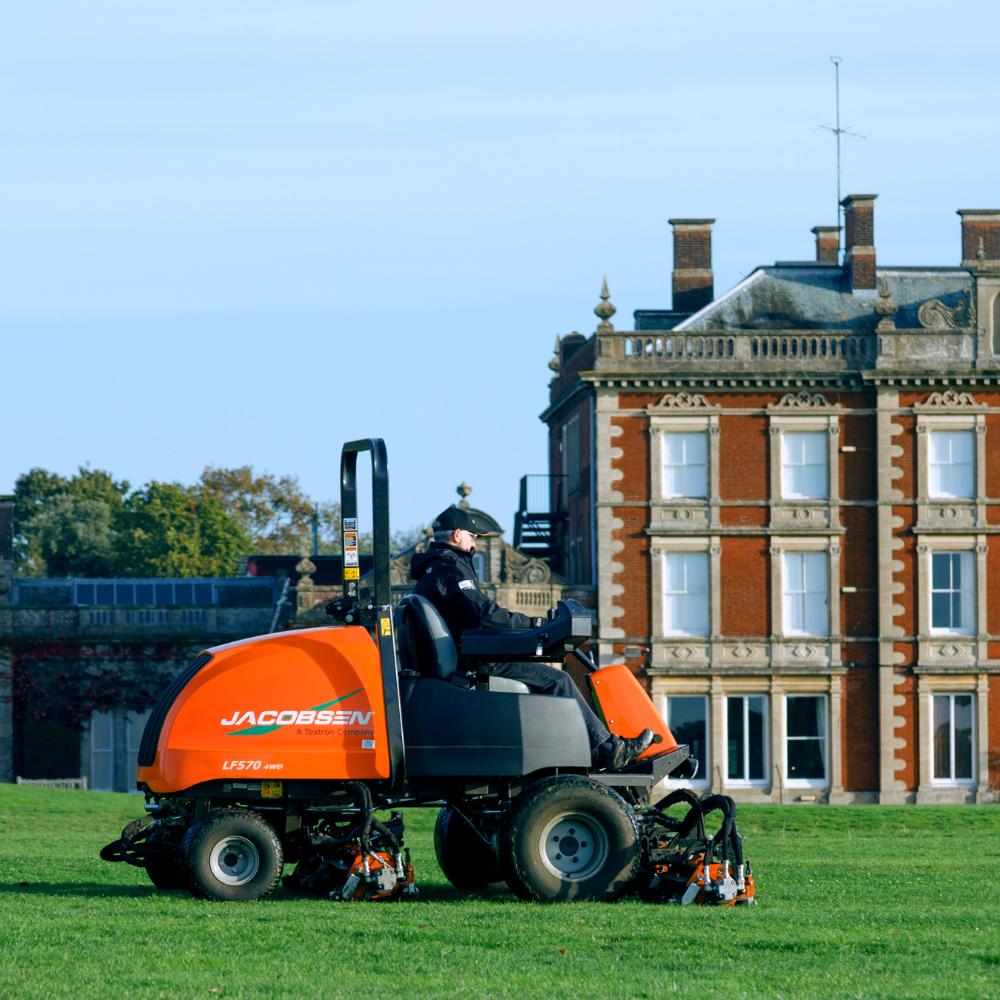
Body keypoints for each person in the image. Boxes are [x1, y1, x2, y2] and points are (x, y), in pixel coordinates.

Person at [409, 506, 654, 771]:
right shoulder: (450, 567)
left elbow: (476, 616)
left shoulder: (434, 568)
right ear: (457, 535)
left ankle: (593, 750)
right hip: (472, 662)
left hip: (466, 656)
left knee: (550, 677)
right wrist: (533, 625)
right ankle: (608, 751)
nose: (475, 542)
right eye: (473, 536)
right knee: (558, 679)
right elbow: (484, 614)